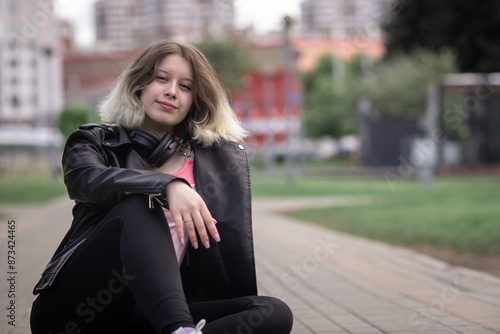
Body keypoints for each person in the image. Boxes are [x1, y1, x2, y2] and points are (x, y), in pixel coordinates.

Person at [30, 40, 293, 334]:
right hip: (78, 312)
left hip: (152, 313)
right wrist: (168, 185)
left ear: (196, 100)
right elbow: (85, 180)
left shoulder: (214, 162)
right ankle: (179, 329)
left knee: (271, 312)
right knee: (140, 203)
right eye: (162, 78)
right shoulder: (94, 141)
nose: (171, 91)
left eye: (185, 86)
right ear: (140, 83)